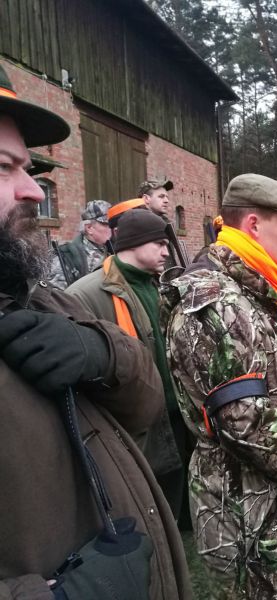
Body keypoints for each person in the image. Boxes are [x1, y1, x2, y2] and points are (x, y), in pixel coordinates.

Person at [0, 62, 191, 599]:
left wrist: (104, 354)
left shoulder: (41, 300)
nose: (33, 191)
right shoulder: (85, 289)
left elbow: (146, 397)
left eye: (28, 169)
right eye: (4, 167)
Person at [165, 173, 277, 599]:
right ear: (253, 225)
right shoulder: (215, 303)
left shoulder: (259, 289)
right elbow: (246, 424)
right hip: (243, 504)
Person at [66, 210, 186, 519]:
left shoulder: (163, 286)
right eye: (159, 244)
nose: (166, 252)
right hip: (130, 427)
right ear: (134, 242)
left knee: (173, 508)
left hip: (175, 421)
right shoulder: (85, 294)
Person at [48, 199, 112, 289]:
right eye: (107, 224)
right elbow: (56, 295)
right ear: (89, 228)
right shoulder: (66, 257)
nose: (112, 228)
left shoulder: (113, 250)